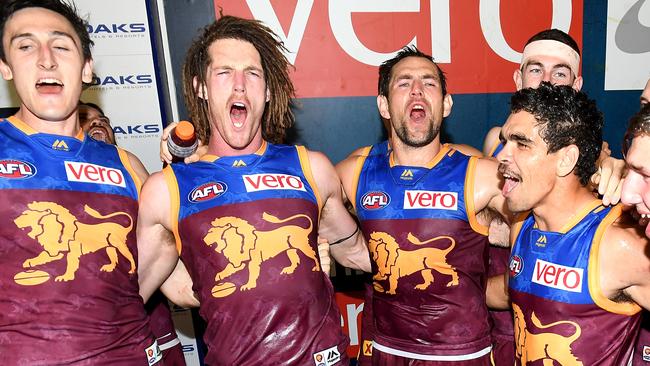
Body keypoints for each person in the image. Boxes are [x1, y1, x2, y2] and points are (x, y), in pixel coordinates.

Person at [137, 15, 371, 365]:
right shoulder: (166, 190)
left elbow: (356, 253)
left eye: (252, 73)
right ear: (201, 86)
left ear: (268, 90)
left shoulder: (313, 168)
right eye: (224, 72)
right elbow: (173, 291)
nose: (239, 86)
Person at [0, 0, 161, 364]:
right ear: (6, 67)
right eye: (25, 46)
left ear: (87, 68)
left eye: (60, 45)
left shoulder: (127, 167)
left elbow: (181, 282)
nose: (46, 59)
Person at [336, 46, 516, 364]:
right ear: (384, 105)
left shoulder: (481, 174)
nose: (417, 90)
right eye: (404, 83)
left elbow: (549, 231)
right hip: (384, 349)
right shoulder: (354, 171)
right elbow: (306, 214)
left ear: (445, 104)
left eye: (429, 83)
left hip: (462, 353)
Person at [501, 83, 649, 364]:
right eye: (505, 141)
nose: (501, 156)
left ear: (566, 159)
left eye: (521, 143)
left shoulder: (618, 244)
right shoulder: (522, 226)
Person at [78, 102, 186, 365]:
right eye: (86, 118)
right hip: (81, 315)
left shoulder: (128, 164)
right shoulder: (53, 176)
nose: (97, 122)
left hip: (143, 302)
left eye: (103, 119)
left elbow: (165, 229)